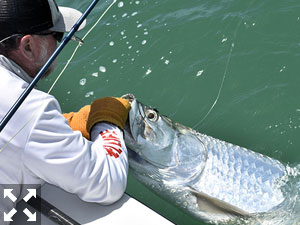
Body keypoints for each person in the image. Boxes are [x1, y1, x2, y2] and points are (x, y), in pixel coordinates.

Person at [0, 0, 130, 223]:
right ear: (28, 46)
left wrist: (56, 128)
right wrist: (106, 120)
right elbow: (108, 183)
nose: (60, 45)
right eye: (57, 37)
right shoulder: (31, 111)